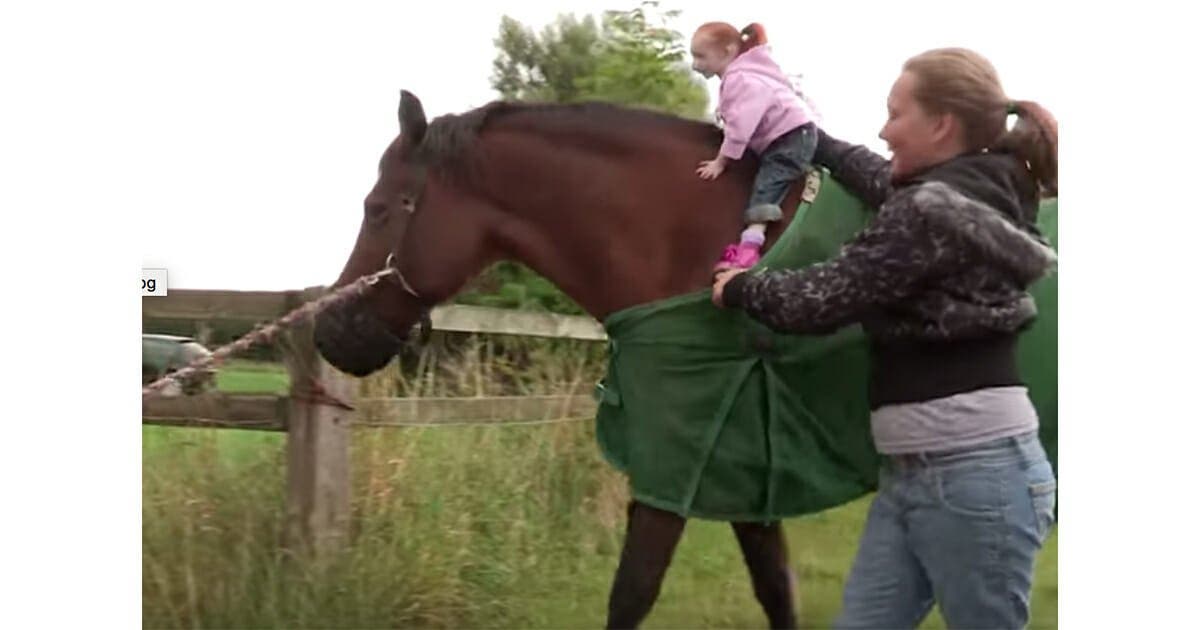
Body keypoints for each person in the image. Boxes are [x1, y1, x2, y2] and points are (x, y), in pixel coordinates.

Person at [711, 47, 1059, 629]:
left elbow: (822, 298)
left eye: (895, 114)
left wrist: (742, 287)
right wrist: (807, 137)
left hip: (973, 479)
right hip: (917, 475)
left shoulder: (927, 213)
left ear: (941, 124)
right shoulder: (983, 190)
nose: (883, 129)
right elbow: (882, 177)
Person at [690, 21, 819, 271]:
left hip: (790, 138)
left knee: (767, 186)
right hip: (788, 133)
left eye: (701, 56)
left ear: (727, 51)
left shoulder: (740, 79)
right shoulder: (742, 75)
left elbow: (741, 127)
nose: (695, 65)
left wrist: (721, 161)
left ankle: (750, 249)